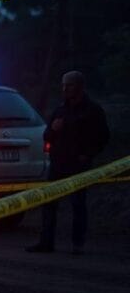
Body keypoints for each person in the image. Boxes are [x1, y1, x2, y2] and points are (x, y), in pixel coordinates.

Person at [27, 70, 109, 255]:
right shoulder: (60, 110)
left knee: (78, 204)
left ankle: (77, 244)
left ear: (80, 86)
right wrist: (54, 130)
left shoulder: (93, 110)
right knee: (49, 203)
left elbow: (103, 137)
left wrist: (88, 155)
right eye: (63, 85)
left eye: (69, 85)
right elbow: (46, 135)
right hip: (58, 163)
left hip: (78, 165)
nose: (65, 88)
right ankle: (46, 242)